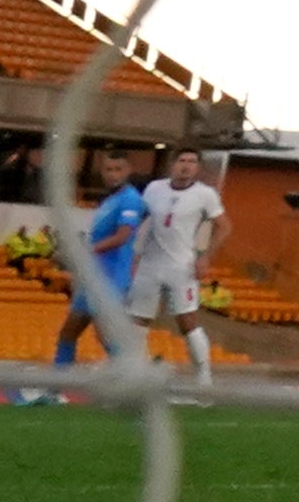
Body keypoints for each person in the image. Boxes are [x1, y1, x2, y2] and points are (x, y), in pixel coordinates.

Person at [121, 152, 223, 382]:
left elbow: (224, 226)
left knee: (188, 321)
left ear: (197, 168)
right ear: (172, 164)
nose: (186, 166)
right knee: (138, 320)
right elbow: (138, 218)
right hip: (149, 264)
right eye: (182, 161)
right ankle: (135, 377)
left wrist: (205, 256)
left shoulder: (205, 194)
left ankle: (204, 379)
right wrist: (131, 251)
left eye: (191, 162)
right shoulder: (154, 188)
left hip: (181, 266)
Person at [51, 158, 141, 375]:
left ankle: (134, 379)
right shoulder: (110, 200)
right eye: (108, 169)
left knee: (105, 334)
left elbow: (122, 237)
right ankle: (55, 388)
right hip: (93, 276)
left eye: (118, 169)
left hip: (109, 277)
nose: (112, 174)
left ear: (128, 170)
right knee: (68, 332)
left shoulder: (130, 200)